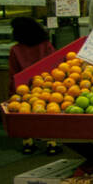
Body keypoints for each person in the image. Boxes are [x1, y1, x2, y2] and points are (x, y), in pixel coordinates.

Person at [8, 16, 60, 155]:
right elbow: (54, 64)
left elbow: (13, 72)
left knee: (25, 114)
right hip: (45, 85)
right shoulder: (46, 45)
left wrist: (13, 91)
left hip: (24, 88)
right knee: (49, 112)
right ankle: (51, 143)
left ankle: (28, 143)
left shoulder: (15, 50)